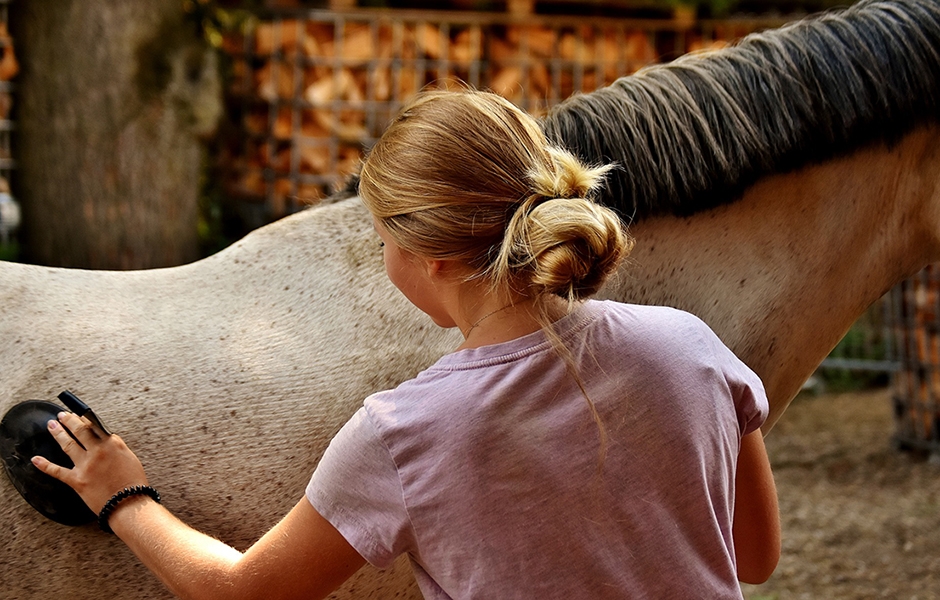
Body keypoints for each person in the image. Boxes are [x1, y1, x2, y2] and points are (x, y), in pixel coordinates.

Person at [33, 88, 779, 599]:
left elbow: (245, 591)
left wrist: (120, 493)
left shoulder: (405, 432)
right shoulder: (693, 347)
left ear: (437, 257)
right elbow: (754, 555)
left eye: (381, 235)